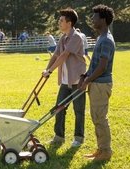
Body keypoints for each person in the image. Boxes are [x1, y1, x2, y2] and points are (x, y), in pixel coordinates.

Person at [42, 8, 86, 147]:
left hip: (77, 80)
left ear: (69, 22)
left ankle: (78, 138)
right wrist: (46, 70)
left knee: (78, 110)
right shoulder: (62, 38)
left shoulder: (76, 37)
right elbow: (55, 55)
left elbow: (64, 55)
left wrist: (50, 70)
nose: (59, 23)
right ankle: (59, 137)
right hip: (65, 81)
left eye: (61, 20)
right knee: (59, 108)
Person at [78, 4, 115, 161]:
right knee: (96, 117)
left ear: (103, 19)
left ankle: (106, 152)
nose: (92, 19)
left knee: (100, 118)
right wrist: (85, 74)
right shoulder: (101, 38)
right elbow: (94, 63)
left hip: (100, 84)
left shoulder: (106, 40)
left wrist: (88, 80)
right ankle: (101, 149)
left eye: (95, 17)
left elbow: (102, 66)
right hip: (96, 83)